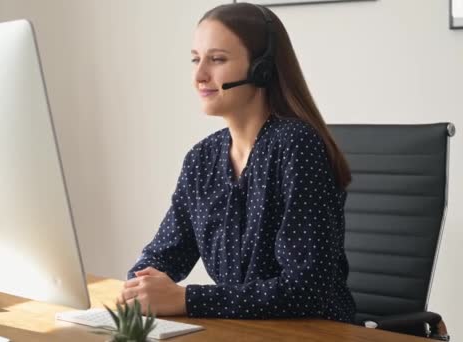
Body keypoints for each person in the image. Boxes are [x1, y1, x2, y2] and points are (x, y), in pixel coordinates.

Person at [120, 2, 356, 323]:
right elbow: (165, 252)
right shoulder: (202, 159)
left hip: (312, 332)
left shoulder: (295, 145)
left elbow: (306, 290)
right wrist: (141, 285)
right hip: (244, 329)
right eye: (195, 59)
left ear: (263, 68)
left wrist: (186, 299)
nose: (199, 75)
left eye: (217, 60)